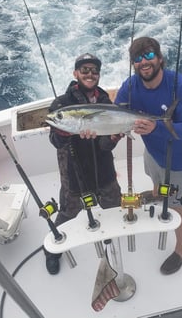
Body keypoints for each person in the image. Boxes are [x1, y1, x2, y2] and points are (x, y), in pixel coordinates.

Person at [115, 37, 182, 275]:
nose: (144, 62)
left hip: (180, 159)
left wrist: (157, 128)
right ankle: (157, 194)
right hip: (153, 152)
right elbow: (115, 113)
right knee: (156, 184)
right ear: (133, 64)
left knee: (175, 206)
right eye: (138, 58)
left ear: (160, 59)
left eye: (149, 55)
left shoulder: (181, 86)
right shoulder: (130, 86)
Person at [45, 53, 122, 275]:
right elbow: (55, 141)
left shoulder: (106, 102)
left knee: (114, 208)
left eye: (94, 71)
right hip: (74, 173)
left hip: (104, 171)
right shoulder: (61, 105)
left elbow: (105, 145)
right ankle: (53, 251)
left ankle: (111, 239)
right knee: (67, 214)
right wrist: (62, 130)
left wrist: (114, 138)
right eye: (85, 70)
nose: (90, 74)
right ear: (75, 73)